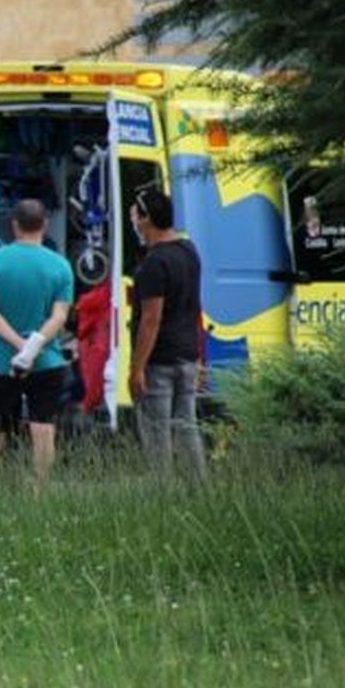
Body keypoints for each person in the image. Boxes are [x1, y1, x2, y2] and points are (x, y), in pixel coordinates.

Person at [0, 199, 74, 491]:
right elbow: (59, 316)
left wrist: (18, 344)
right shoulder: (60, 266)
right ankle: (39, 490)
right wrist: (33, 347)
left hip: (1, 363)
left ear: (14, 225)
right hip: (47, 361)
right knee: (43, 428)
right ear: (45, 224)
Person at [128, 189, 208, 479]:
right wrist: (200, 357)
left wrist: (137, 368)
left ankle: (162, 492)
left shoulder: (154, 264)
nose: (133, 221)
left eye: (135, 215)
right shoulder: (189, 251)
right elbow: (195, 307)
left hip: (159, 362)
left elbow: (151, 320)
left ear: (146, 219)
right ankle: (198, 489)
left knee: (156, 436)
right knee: (187, 428)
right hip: (187, 356)